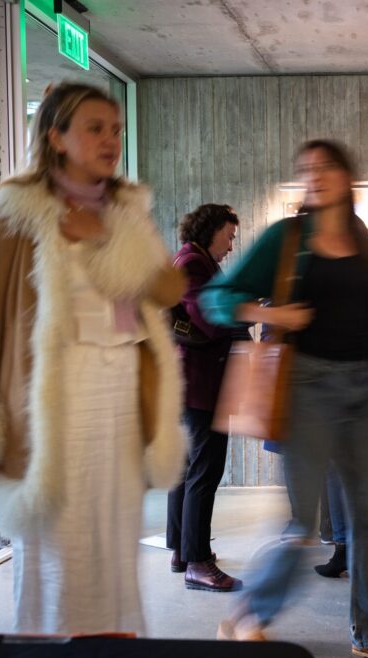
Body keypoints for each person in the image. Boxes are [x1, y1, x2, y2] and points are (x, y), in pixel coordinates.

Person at [0, 82, 186, 635]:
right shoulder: (12, 215)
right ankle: (51, 655)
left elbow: (167, 291)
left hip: (121, 395)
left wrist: (103, 238)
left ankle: (114, 654)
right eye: (95, 128)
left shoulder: (126, 210)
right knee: (58, 543)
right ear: (56, 136)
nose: (111, 140)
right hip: (53, 402)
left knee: (114, 542)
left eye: (116, 129)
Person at [200, 139, 368, 658]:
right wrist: (268, 311)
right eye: (306, 170)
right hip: (309, 388)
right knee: (301, 523)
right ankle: (249, 614)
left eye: (325, 168)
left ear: (348, 177)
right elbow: (216, 298)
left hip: (364, 390)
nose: (314, 176)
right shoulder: (287, 238)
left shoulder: (361, 236)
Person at [166, 203, 244, 591]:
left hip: (191, 382)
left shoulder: (191, 260)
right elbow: (210, 321)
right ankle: (197, 562)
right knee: (204, 470)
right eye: (229, 235)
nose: (231, 245)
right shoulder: (193, 263)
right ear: (210, 229)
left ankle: (183, 551)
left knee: (187, 469)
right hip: (201, 383)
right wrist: (247, 311)